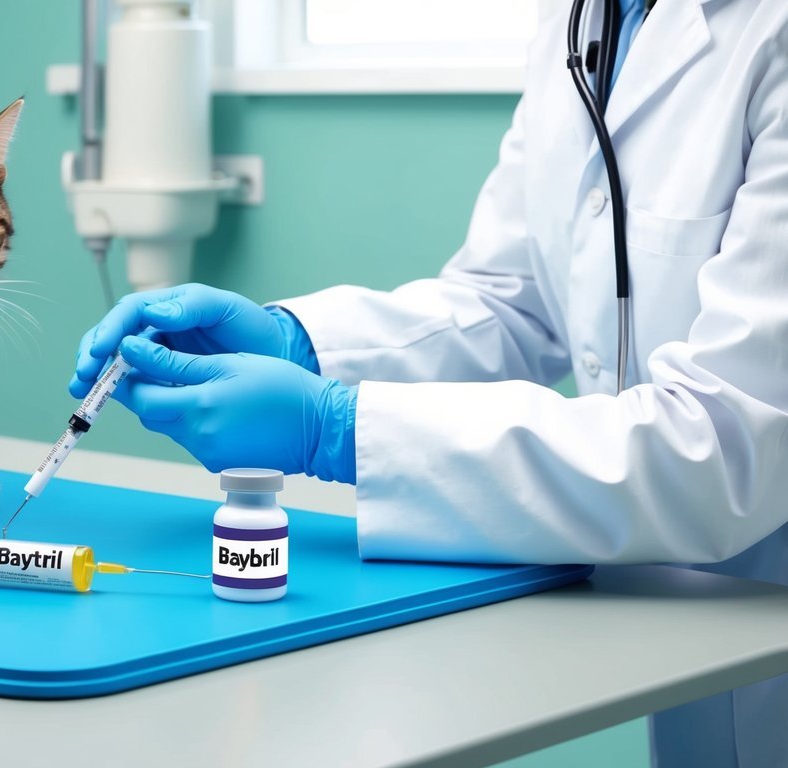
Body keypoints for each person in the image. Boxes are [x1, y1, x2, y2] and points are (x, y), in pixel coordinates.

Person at [70, 1, 788, 765]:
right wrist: (301, 344)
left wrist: (336, 429)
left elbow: (724, 440)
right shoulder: (583, 21)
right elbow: (514, 301)